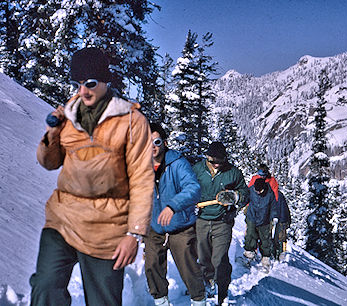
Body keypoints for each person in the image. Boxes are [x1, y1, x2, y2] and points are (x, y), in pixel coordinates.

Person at [30, 47, 154, 305]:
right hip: (63, 218)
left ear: (105, 81)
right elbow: (49, 163)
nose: (82, 91)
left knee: (103, 301)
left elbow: (142, 179)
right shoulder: (68, 115)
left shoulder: (131, 121)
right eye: (77, 84)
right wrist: (51, 134)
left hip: (107, 226)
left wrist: (134, 234)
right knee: (45, 287)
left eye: (90, 83)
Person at [144, 123, 206, 306]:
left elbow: (193, 188)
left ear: (164, 142)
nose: (152, 146)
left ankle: (198, 300)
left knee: (188, 267)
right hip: (155, 227)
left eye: (156, 141)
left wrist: (173, 206)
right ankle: (161, 301)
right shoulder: (140, 165)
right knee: (152, 264)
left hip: (180, 226)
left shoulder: (177, 163)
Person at [193, 142, 249, 306]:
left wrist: (235, 196)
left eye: (220, 160)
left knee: (219, 259)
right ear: (207, 157)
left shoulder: (233, 172)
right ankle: (208, 281)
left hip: (222, 222)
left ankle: (222, 292)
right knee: (203, 257)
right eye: (213, 160)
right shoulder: (197, 169)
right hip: (201, 220)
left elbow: (245, 193)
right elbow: (187, 187)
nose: (216, 164)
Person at [243, 178, 276, 267]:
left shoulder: (269, 194)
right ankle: (249, 253)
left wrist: (273, 217)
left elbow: (273, 207)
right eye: (256, 190)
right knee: (250, 235)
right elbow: (245, 199)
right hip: (252, 217)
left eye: (260, 190)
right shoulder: (251, 190)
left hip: (264, 219)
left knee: (265, 239)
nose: (258, 192)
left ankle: (265, 257)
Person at [269, 190, 291, 260]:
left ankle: (276, 253)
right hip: (282, 219)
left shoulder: (271, 195)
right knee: (280, 238)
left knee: (275, 237)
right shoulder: (279, 194)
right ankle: (279, 253)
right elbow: (285, 209)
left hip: (278, 219)